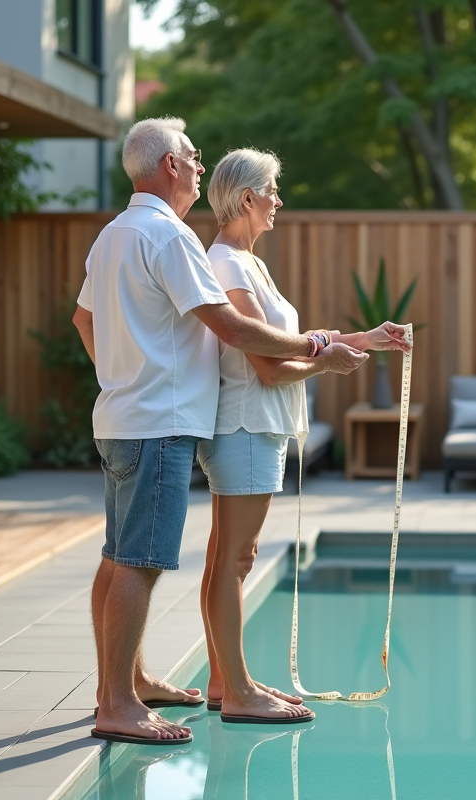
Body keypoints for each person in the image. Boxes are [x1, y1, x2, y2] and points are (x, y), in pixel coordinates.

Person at [72, 118, 385, 745]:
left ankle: (127, 687)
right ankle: (119, 705)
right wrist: (320, 346)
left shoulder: (114, 234)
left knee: (117, 558)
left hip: (123, 415)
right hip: (158, 422)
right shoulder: (170, 237)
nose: (197, 165)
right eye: (190, 157)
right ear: (167, 166)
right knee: (140, 562)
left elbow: (84, 320)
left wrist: (122, 374)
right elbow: (237, 333)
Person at [198, 148, 410, 724]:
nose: (278, 202)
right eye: (272, 191)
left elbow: (294, 338)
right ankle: (238, 692)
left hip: (254, 425)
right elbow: (266, 363)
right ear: (247, 198)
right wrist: (329, 366)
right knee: (235, 560)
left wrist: (363, 339)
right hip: (245, 423)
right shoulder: (230, 266)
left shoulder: (247, 262)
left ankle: (225, 681)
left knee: (227, 555)